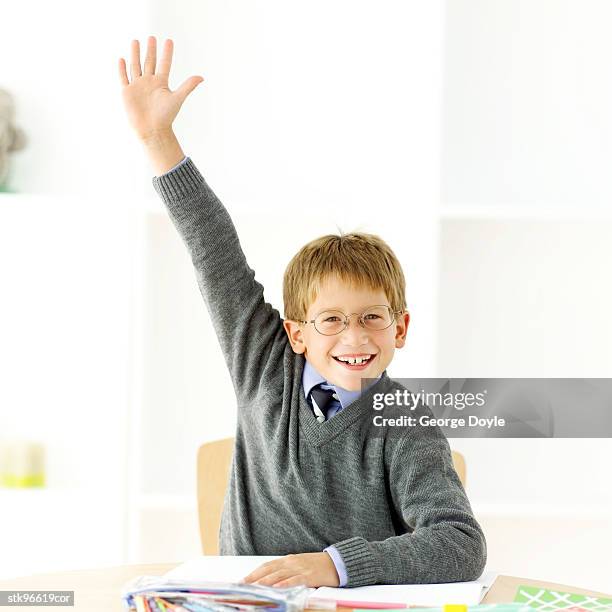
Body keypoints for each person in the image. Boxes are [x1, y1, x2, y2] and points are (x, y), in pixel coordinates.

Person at [118, 36, 486, 589]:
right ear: (295, 333)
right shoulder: (262, 362)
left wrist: (335, 566)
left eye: (371, 317)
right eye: (330, 320)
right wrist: (158, 139)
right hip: (241, 603)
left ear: (400, 327)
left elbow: (460, 543)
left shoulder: (405, 425)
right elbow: (212, 248)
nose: (352, 336)